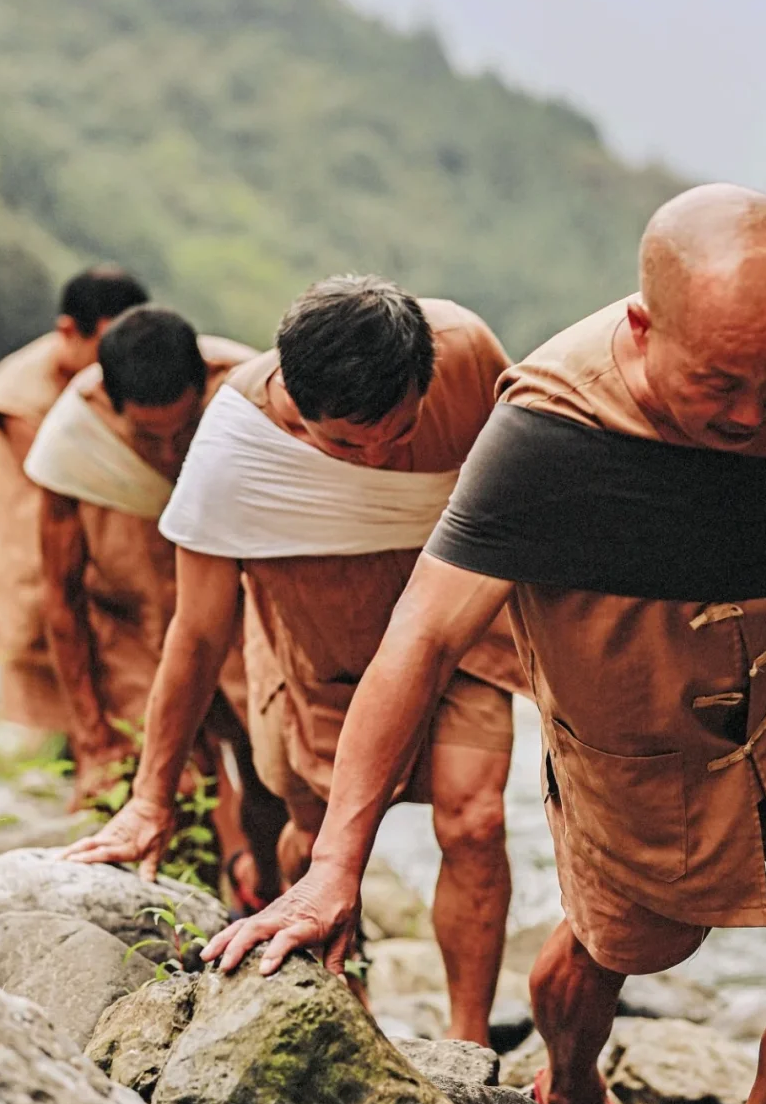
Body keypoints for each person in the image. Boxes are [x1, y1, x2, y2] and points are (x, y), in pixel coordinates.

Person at [200, 187, 766, 1104]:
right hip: (639, 723)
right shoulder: (544, 431)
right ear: (641, 326)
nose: (753, 412)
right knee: (631, 944)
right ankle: (570, 1086)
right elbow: (422, 639)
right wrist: (336, 864)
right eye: (717, 381)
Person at [64, 275, 527, 1046]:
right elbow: (199, 633)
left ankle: (468, 1044)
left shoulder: (469, 353)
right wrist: (151, 795)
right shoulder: (231, 448)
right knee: (318, 842)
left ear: (426, 376)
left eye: (399, 433)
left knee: (475, 819)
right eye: (345, 444)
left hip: (457, 629)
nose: (376, 457)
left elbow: (533, 475)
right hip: (322, 649)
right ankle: (342, 1000)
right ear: (289, 391)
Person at [27, 306, 280, 906]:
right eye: (149, 439)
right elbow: (60, 596)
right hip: (137, 631)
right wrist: (89, 735)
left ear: (203, 390)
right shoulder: (75, 438)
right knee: (167, 789)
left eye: (183, 431)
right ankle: (187, 945)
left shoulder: (253, 396)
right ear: (112, 407)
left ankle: (273, 895)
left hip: (245, 623)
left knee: (277, 775)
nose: (170, 456)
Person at [0, 267, 149, 732]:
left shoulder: (123, 378)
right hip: (38, 593)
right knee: (60, 739)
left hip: (114, 598)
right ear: (69, 332)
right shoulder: (20, 393)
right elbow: (70, 482)